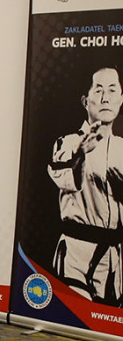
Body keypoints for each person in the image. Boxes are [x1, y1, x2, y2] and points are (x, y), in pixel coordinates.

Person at [47, 66, 123, 304]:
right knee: (76, 316)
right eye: (98, 90)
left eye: (112, 90)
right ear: (85, 100)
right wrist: (81, 154)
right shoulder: (68, 142)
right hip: (77, 253)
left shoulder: (121, 148)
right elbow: (62, 176)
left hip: (115, 259)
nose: (105, 98)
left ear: (121, 99)